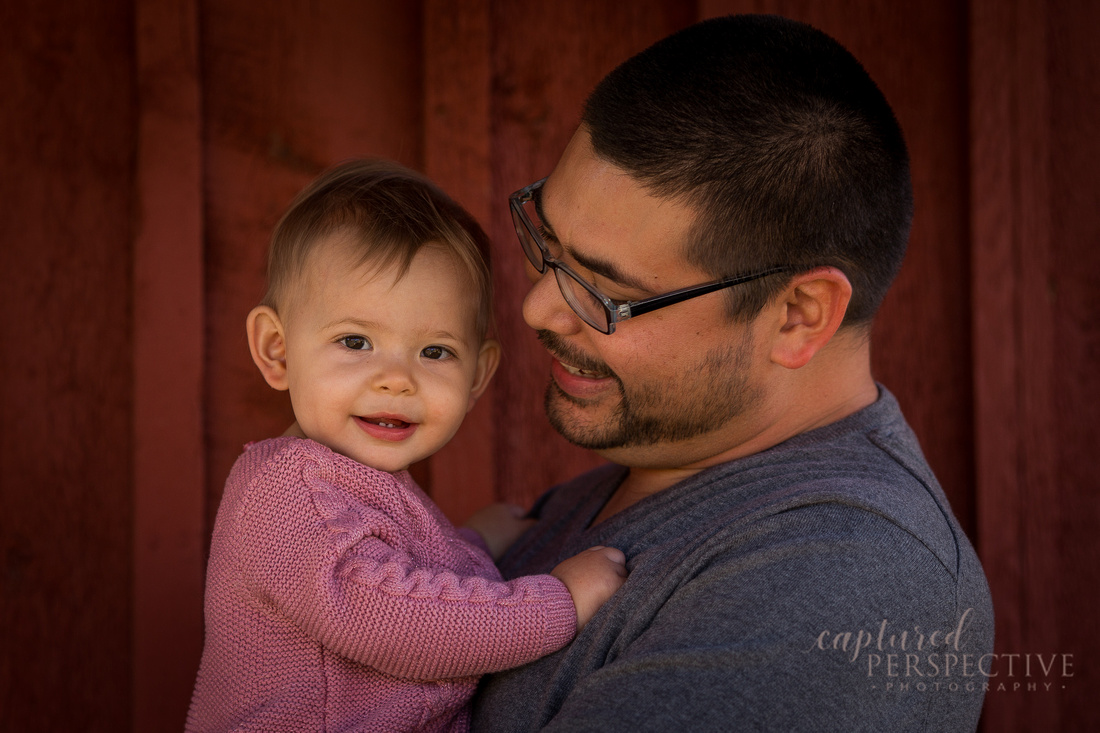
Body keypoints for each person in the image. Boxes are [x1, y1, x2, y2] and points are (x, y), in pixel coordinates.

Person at [472, 14, 993, 732]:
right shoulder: (650, 469)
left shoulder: (845, 580)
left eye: (605, 291)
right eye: (548, 244)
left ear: (799, 315)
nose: (536, 307)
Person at [185, 159, 627, 733]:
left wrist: (476, 540)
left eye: (434, 352)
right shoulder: (283, 495)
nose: (396, 378)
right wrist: (558, 604)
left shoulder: (345, 484)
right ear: (277, 350)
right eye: (356, 341)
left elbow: (402, 567)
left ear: (477, 376)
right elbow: (388, 616)